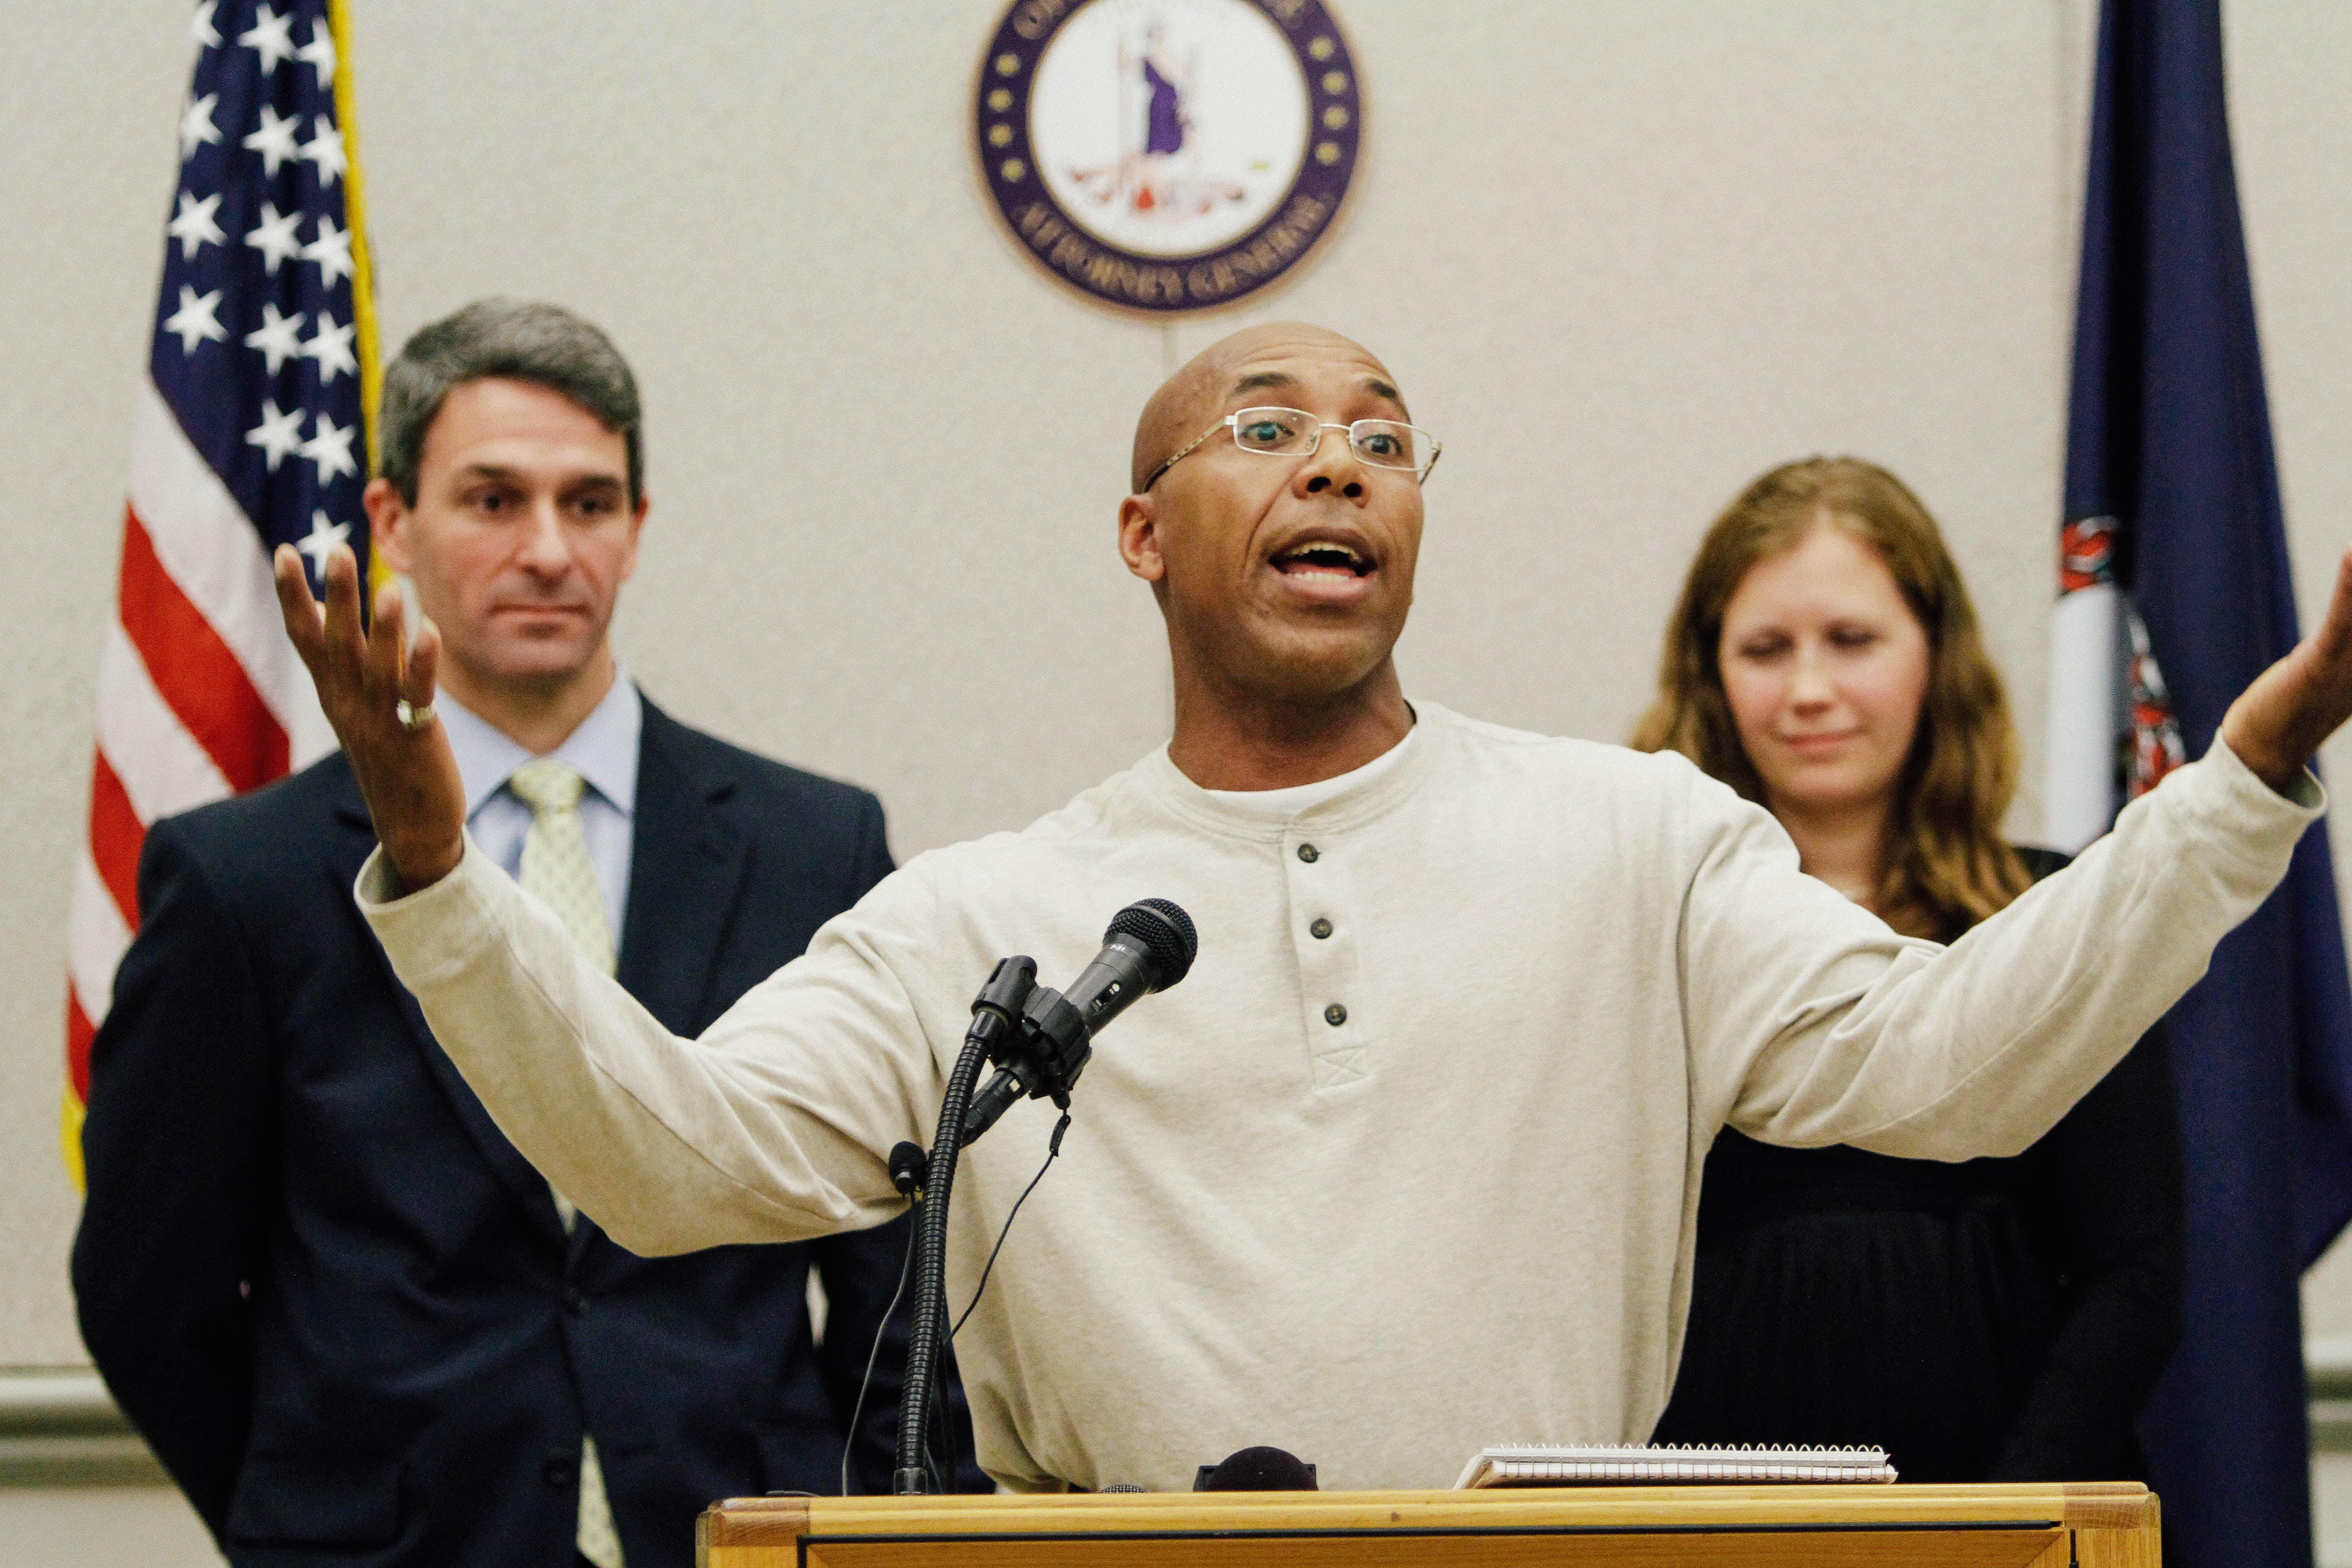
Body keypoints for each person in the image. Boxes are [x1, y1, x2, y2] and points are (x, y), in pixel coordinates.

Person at [277, 321, 2347, 1495]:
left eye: (1381, 442)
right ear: (1141, 533)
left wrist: (2246, 774)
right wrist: (443, 868)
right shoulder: (992, 916)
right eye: (1263, 435)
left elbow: (1962, 1066)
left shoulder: (1636, 841)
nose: (1337, 469)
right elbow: (670, 1162)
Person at [72, 300, 975, 1568]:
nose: (549, 550)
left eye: (589, 503)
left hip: (748, 1538)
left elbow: (904, 1280)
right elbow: (147, 1289)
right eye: (494, 500)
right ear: (393, 523)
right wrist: (312, 1523)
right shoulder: (244, 878)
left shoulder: (809, 846)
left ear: (638, 529)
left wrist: (876, 1534)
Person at [1635, 457, 2182, 1481]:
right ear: (1710, 673)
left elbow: (2135, 1274)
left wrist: (2014, 1521)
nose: (1809, 690)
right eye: (1764, 648)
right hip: (1703, 1519)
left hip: (2017, 1509)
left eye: (1851, 641)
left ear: (1934, 653)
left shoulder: (2050, 913)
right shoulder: (1649, 930)